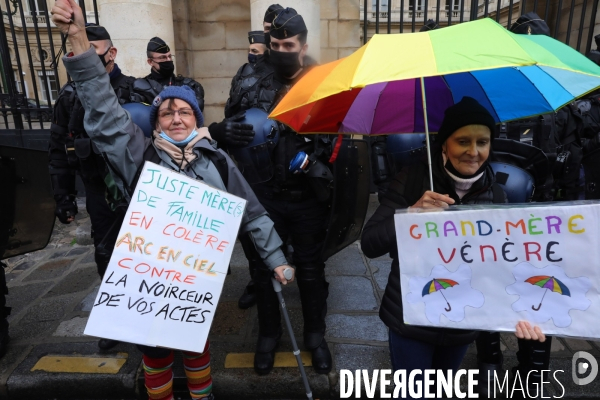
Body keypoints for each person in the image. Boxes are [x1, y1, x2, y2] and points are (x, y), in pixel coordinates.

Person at [50, 1, 293, 399]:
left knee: (196, 347)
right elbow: (104, 111)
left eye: (185, 112)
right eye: (167, 113)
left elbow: (251, 212)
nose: (176, 118)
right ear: (156, 121)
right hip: (148, 282)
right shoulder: (138, 155)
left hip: (194, 281)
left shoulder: (217, 160)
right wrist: (77, 40)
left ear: (196, 118)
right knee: (156, 353)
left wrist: (277, 260)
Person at [360, 97, 546, 399]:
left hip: (462, 323)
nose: (474, 152)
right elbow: (370, 244)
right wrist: (411, 214)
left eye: (482, 142)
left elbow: (505, 268)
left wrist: (522, 311)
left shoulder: (498, 194)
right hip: (412, 319)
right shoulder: (413, 179)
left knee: (441, 390)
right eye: (462, 141)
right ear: (444, 145)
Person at [230, 8, 334, 376]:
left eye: (288, 44)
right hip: (264, 195)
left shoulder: (323, 83)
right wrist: (223, 131)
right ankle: (269, 336)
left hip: (307, 197)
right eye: (275, 44)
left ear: (303, 46)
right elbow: (233, 122)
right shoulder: (250, 82)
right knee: (262, 269)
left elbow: (340, 137)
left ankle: (315, 336)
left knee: (309, 270)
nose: (281, 50)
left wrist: (317, 159)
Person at [47, 22, 134, 351]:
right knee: (106, 253)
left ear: (111, 53)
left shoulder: (136, 90)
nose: (83, 58)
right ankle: (117, 318)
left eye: (91, 52)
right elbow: (58, 150)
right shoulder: (68, 98)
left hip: (138, 189)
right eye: (78, 53)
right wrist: (64, 197)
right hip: (99, 191)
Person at [129, 37, 205, 112]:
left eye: (169, 56)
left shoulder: (188, 85)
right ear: (150, 62)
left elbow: (196, 111)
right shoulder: (140, 87)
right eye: (163, 57)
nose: (168, 60)